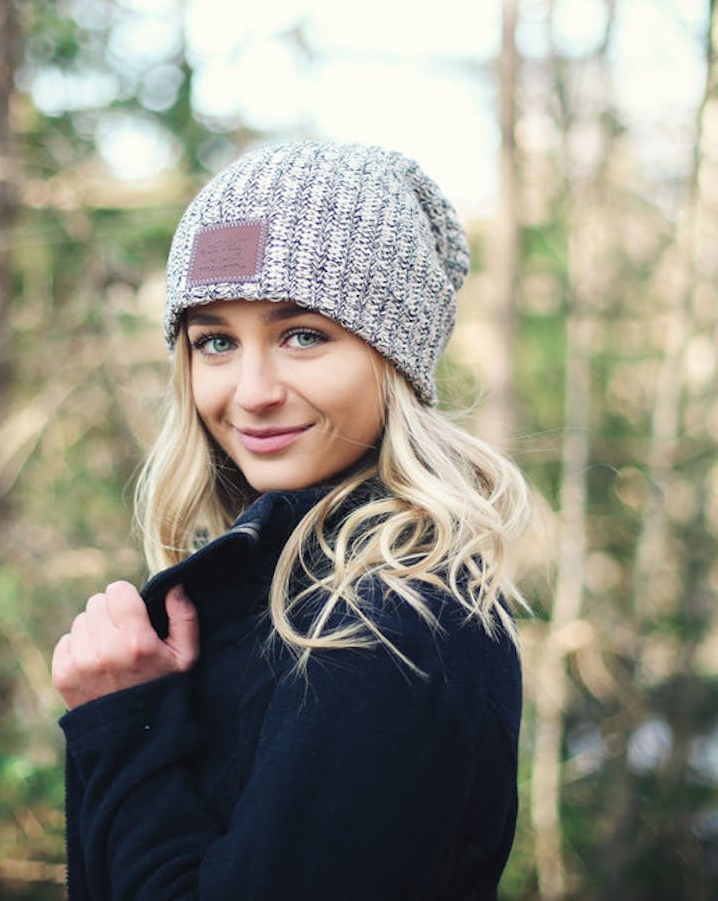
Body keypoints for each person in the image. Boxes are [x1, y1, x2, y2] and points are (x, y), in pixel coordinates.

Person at [51, 141, 531, 900]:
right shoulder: (276, 594)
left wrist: (124, 727)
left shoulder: (392, 622)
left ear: (394, 357)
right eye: (215, 341)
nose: (252, 391)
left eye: (302, 335)